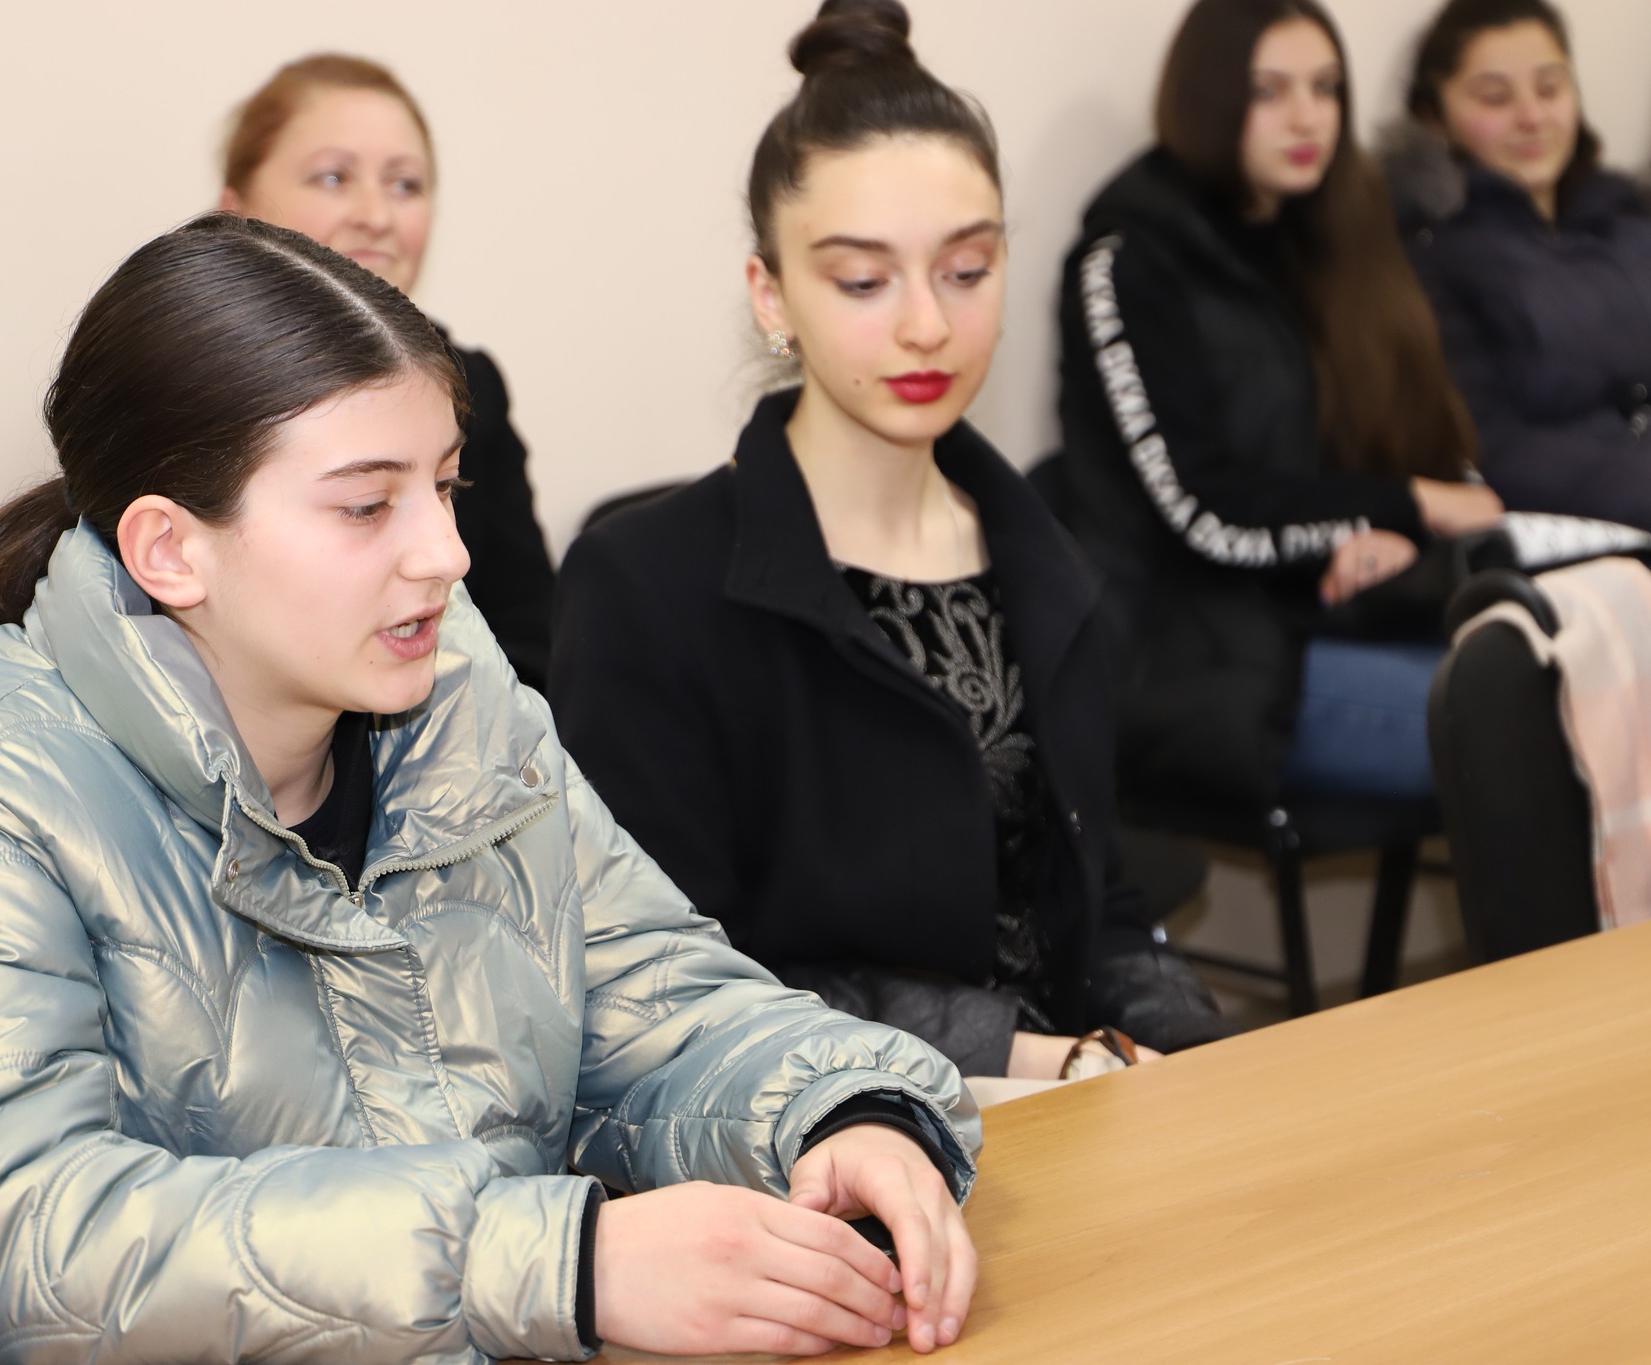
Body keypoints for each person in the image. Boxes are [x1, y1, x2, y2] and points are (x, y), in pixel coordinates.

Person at [0, 215, 982, 1364]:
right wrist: (562, 1264)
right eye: (367, 507)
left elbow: (656, 1000)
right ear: (169, 549)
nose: (446, 553)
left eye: (445, 485)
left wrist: (840, 1113)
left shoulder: (463, 704)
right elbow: (42, 1251)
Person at [551, 0, 1232, 1095]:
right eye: (863, 281)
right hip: (818, 1130)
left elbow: (1094, 902)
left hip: (1067, 1103)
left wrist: (1196, 1057)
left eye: (965, 270)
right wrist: (1032, 1057)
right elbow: (667, 986)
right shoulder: (646, 588)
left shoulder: (1042, 561)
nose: (926, 326)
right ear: (771, 294)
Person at [1054, 0, 1504, 811]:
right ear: (1207, 97)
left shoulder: (1333, 230)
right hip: (1195, 661)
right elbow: (1202, 514)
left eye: (1326, 87)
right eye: (1269, 91)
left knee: (1586, 681)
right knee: (1534, 728)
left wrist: (1392, 535)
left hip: (1332, 622)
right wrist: (1402, 506)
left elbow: (1418, 439)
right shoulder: (1127, 262)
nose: (1308, 118)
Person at [220, 54, 558, 690]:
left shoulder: (472, 387)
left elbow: (531, 642)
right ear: (236, 209)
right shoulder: (174, 384)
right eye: (333, 177)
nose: (376, 215)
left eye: (405, 184)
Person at [1384, 0, 1651, 530]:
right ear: (1434, 118)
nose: (1532, 118)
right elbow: (1491, 447)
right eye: (1495, 98)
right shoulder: (1431, 259)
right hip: (1594, 532)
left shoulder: (1628, 215)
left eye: (1549, 89)